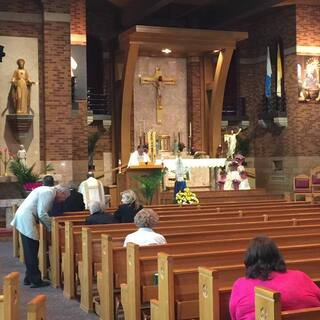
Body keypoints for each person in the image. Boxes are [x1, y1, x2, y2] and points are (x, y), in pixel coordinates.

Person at [229, 236, 320, 320]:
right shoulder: (300, 276)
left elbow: (234, 315)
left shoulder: (240, 284)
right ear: (278, 257)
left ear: (249, 259)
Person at [11, 185, 70, 288]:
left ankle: (29, 277)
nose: (62, 201)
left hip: (25, 217)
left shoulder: (46, 190)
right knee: (31, 250)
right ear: (61, 192)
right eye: (63, 198)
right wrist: (51, 228)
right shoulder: (49, 192)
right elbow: (42, 213)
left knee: (30, 249)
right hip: (27, 218)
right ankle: (36, 280)